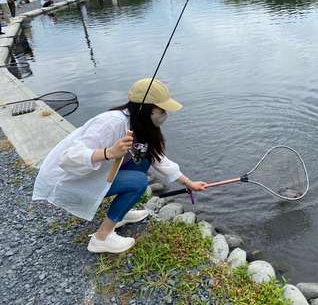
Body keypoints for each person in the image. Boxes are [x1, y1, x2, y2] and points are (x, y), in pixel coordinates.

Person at [32, 79, 207, 254]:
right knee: (139, 181)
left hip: (86, 173)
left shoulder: (141, 123)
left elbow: (157, 158)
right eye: (161, 108)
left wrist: (188, 183)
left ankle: (121, 213)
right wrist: (109, 152)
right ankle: (101, 238)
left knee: (142, 162)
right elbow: (67, 159)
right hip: (66, 181)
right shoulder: (112, 123)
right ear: (145, 108)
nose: (165, 113)